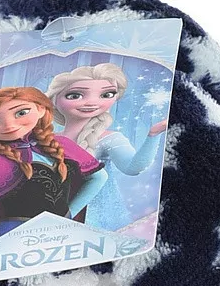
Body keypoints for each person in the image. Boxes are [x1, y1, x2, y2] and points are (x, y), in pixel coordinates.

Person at [0, 86, 107, 253]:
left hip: (62, 235)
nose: (9, 125)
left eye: (21, 112)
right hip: (11, 245)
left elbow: (99, 177)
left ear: (41, 109)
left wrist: (69, 215)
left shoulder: (62, 145)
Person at [46, 63, 167, 231]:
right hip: (49, 216)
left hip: (96, 219)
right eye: (74, 95)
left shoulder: (109, 139)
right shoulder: (47, 140)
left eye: (106, 94)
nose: (92, 102)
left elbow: (133, 167)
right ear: (54, 100)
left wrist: (153, 134)